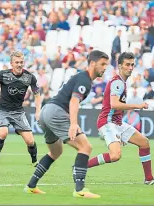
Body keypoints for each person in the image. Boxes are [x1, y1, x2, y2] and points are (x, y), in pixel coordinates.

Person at [24, 50, 109, 198]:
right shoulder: (85, 80)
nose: (105, 67)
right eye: (102, 64)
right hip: (57, 112)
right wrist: (73, 123)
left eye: (106, 64)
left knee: (56, 151)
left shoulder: (81, 77)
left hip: (47, 111)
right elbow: (74, 101)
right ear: (92, 63)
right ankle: (80, 189)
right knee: (85, 147)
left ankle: (31, 185)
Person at [87, 52, 154, 186]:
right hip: (107, 122)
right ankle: (82, 166)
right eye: (127, 65)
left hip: (117, 122)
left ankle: (149, 179)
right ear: (120, 66)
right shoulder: (118, 82)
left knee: (144, 143)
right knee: (115, 155)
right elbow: (114, 104)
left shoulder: (121, 82)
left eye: (132, 65)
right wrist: (138, 105)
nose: (130, 68)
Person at [0, 51, 41, 174]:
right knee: (3, 133)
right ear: (11, 63)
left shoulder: (29, 77)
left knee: (30, 141)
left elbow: (37, 95)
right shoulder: (3, 75)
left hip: (18, 112)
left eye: (21, 62)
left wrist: (38, 111)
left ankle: (35, 161)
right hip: (3, 110)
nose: (19, 65)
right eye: (17, 62)